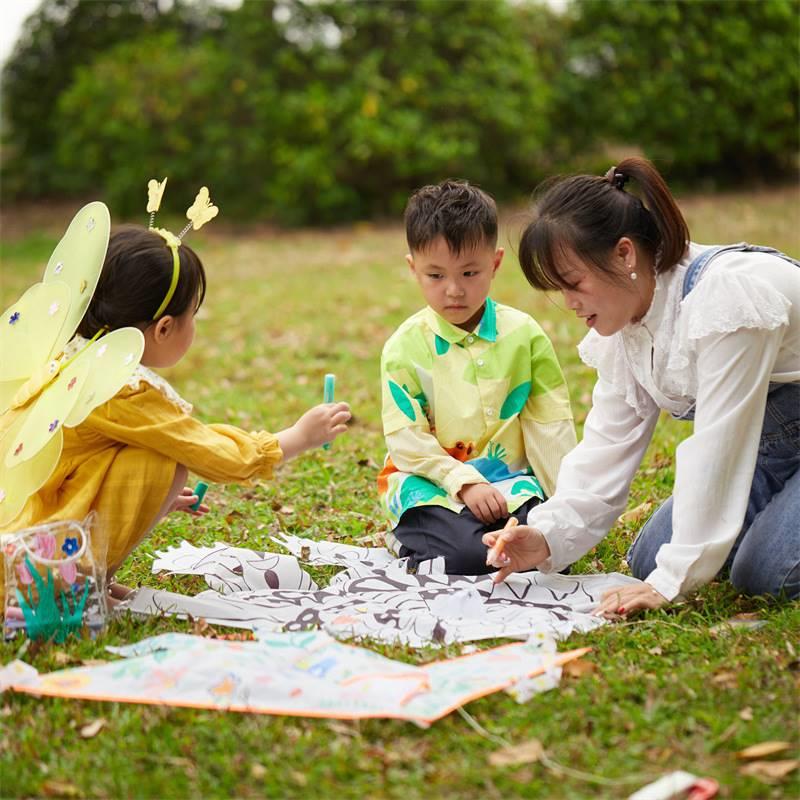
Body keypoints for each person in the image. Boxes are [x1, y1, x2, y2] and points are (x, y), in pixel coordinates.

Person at [484, 157, 800, 614]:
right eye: (558, 290)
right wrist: (546, 535)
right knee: (649, 557)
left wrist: (670, 584)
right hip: (769, 453)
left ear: (625, 253)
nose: (569, 304)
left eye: (573, 283)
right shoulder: (628, 325)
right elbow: (606, 448)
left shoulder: (726, 300)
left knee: (765, 574)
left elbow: (719, 447)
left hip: (745, 447)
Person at [5, 225, 351, 597]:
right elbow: (206, 451)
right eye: (193, 314)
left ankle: (84, 580)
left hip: (19, 525)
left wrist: (152, 498)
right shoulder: (122, 388)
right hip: (24, 562)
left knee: (152, 461)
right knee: (166, 460)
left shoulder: (70, 356)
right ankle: (73, 587)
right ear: (165, 328)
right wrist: (298, 437)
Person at [378, 179, 577, 574]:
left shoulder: (524, 335)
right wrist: (464, 482)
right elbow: (406, 440)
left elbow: (550, 425)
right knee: (468, 558)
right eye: (435, 276)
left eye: (470, 273)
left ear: (496, 263)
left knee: (539, 547)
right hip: (433, 486)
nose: (454, 290)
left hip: (511, 486)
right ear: (413, 268)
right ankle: (406, 535)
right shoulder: (404, 348)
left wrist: (566, 510)